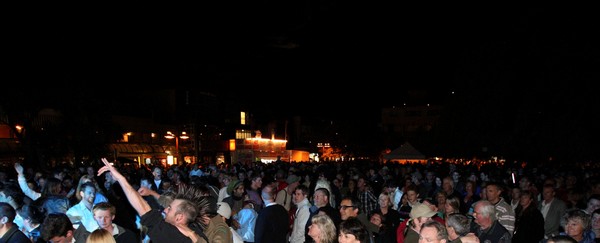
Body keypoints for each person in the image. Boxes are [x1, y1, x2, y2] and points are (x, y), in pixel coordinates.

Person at [97, 158, 209, 243]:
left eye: (169, 209)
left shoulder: (171, 235)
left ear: (179, 217)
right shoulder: (196, 233)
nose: (165, 210)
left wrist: (121, 179)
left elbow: (143, 208)